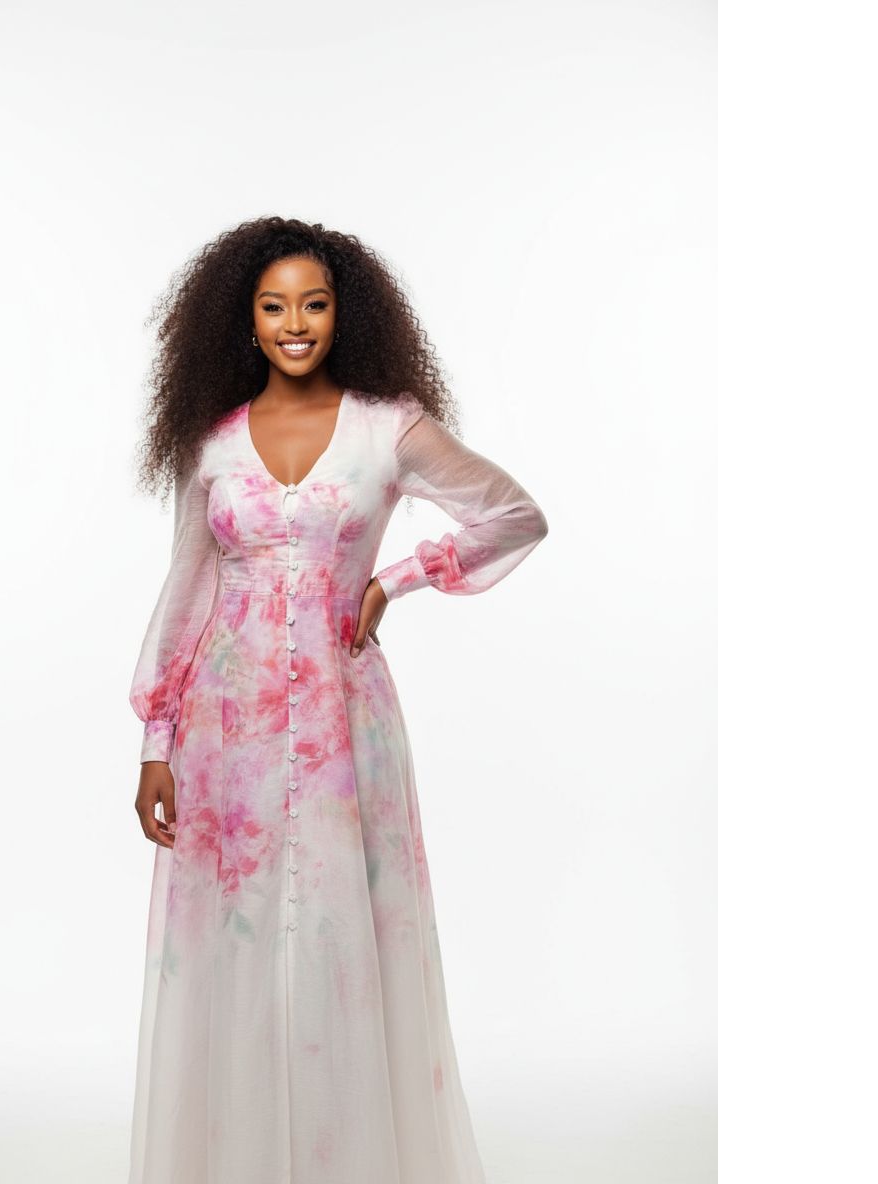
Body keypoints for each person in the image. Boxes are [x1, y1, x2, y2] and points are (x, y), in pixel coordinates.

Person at [127, 215, 549, 1184]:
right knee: (234, 945)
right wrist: (156, 739)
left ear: (341, 313)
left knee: (335, 938)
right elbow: (186, 592)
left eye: (312, 304)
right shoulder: (211, 446)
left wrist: (397, 578)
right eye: (273, 306)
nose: (294, 323)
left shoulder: (384, 428)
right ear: (243, 320)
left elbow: (512, 514)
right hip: (223, 733)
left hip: (342, 724)